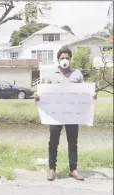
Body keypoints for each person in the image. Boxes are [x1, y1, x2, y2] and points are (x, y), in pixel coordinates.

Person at [34, 47, 97, 181]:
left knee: (73, 142)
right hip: (55, 115)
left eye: (67, 58)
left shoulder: (77, 74)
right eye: (62, 58)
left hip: (72, 115)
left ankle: (73, 170)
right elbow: (43, 94)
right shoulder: (51, 75)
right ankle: (52, 169)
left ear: (70, 59)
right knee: (53, 142)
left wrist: (92, 95)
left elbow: (85, 92)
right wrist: (38, 98)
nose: (64, 60)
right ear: (58, 60)